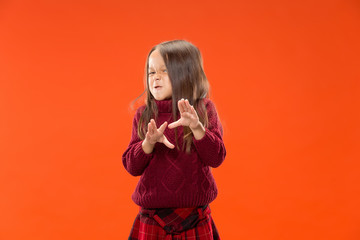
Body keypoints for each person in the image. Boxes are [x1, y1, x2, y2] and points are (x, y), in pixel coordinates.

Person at [122, 39, 226, 239]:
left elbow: (217, 157)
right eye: (151, 72)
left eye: (164, 71)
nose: (156, 78)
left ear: (186, 74)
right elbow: (131, 166)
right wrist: (148, 143)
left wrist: (197, 127)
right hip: (152, 218)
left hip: (195, 215)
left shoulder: (204, 109)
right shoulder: (144, 115)